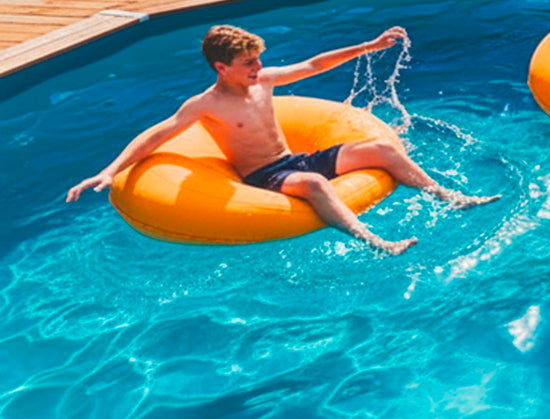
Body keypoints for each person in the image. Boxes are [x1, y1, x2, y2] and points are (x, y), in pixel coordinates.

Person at [65, 24, 498, 255]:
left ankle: (450, 196)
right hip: (264, 178)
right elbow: (156, 135)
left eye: (258, 60)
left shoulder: (263, 82)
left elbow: (314, 64)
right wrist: (106, 172)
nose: (258, 67)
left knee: (383, 150)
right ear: (221, 67)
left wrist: (370, 45)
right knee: (313, 186)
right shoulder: (205, 105)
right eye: (248, 63)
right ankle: (376, 242)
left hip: (299, 157)